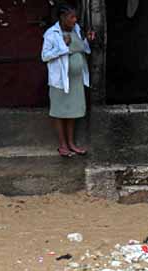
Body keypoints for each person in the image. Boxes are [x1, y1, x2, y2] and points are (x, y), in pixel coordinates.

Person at [41, 3, 93, 157]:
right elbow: (45, 56)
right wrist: (63, 46)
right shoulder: (51, 34)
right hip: (60, 81)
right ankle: (62, 145)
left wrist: (87, 41)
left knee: (72, 112)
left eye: (75, 17)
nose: (75, 20)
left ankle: (71, 143)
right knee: (59, 111)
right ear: (63, 18)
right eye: (72, 17)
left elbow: (80, 48)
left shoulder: (76, 30)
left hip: (76, 80)